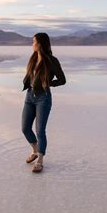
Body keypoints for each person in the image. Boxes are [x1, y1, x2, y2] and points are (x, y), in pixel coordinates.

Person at [21, 32, 66, 173]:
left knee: (40, 130)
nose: (32, 44)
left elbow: (62, 79)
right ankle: (35, 150)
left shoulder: (52, 61)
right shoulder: (33, 58)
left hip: (43, 98)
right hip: (29, 97)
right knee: (25, 128)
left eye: (34, 41)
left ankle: (40, 159)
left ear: (41, 43)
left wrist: (49, 83)